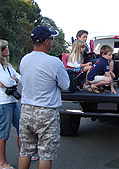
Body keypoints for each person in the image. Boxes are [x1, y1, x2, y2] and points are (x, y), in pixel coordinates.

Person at [18, 26, 70, 169]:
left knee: (25, 151)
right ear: (46, 41)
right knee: (46, 154)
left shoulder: (24, 60)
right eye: (52, 39)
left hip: (26, 110)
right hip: (46, 112)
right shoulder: (54, 62)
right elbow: (65, 85)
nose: (52, 42)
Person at [0, 39, 21, 169]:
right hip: (3, 103)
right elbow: (7, 82)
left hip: (13, 102)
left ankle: (23, 154)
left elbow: (20, 77)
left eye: (6, 47)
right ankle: (2, 163)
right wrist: (13, 80)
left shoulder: (8, 65)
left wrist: (13, 79)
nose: (6, 49)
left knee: (21, 128)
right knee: (4, 133)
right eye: (3, 48)